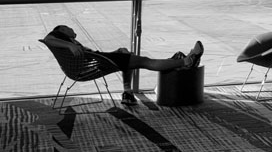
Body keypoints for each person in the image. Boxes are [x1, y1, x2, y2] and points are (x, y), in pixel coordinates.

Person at [42, 25, 203, 106]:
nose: (73, 31)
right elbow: (48, 39)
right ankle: (186, 61)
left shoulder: (65, 41)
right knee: (144, 61)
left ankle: (127, 93)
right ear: (62, 29)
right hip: (95, 62)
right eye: (70, 29)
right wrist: (70, 45)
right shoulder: (59, 36)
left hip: (93, 62)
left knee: (125, 53)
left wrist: (71, 45)